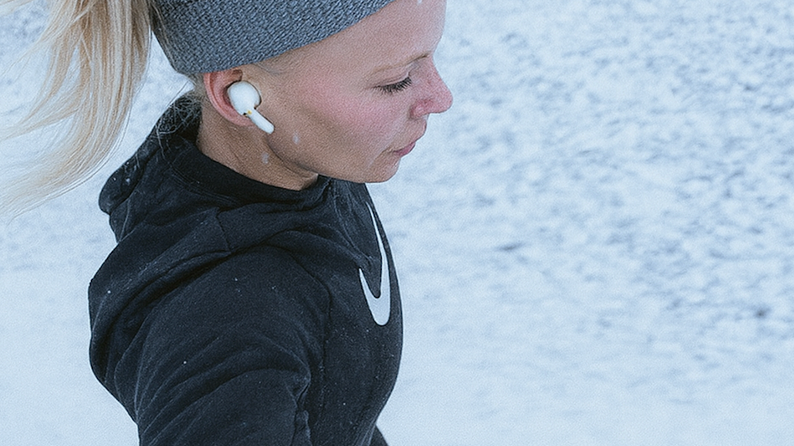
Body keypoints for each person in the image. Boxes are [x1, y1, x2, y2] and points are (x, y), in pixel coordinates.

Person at [0, 0, 453, 444]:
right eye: (396, 81)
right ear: (239, 97)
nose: (441, 97)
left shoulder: (306, 156)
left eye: (431, 56)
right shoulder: (228, 328)